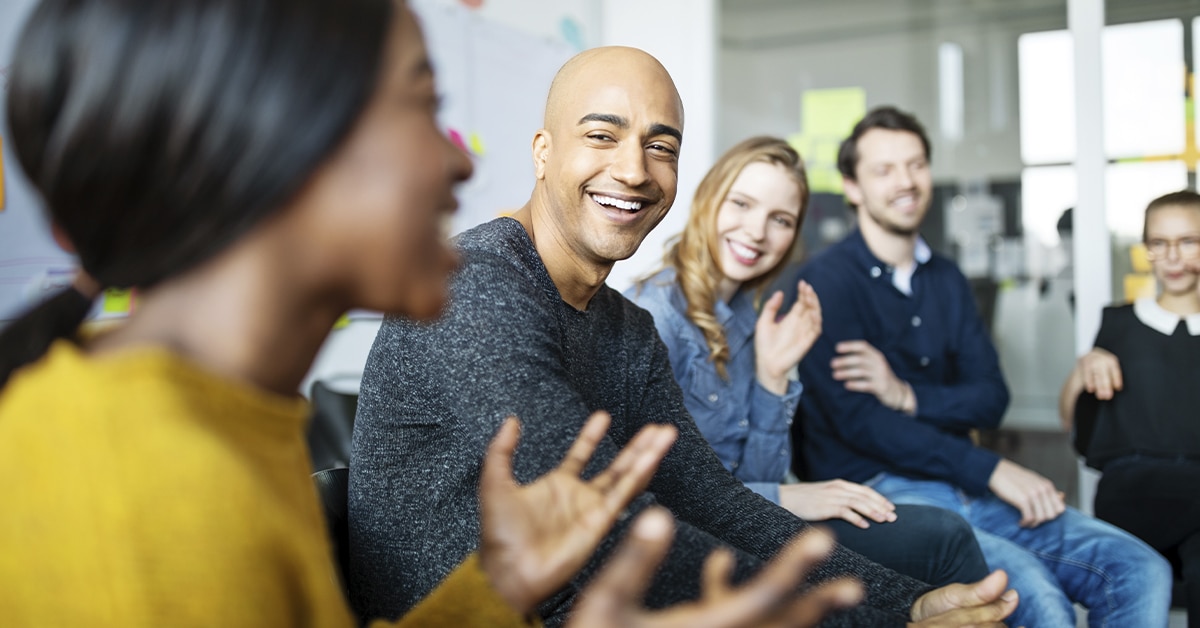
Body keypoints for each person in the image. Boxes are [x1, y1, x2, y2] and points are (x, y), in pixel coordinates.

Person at [0, 0, 873, 626]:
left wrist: (491, 594)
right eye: (423, 110)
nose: (458, 168)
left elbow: (700, 492)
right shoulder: (143, 493)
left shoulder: (231, 425)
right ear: (287, 147)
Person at [351, 47, 1018, 627]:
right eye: (603, 136)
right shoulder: (478, 285)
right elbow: (608, 531)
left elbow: (713, 499)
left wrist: (904, 604)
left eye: (661, 146)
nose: (636, 170)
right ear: (543, 152)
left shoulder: (626, 329)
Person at [788, 104, 1173, 627]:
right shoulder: (826, 284)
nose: (905, 181)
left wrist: (908, 395)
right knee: (1036, 598)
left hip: (965, 486)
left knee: (1140, 567)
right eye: (884, 170)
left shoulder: (946, 278)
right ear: (852, 187)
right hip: (886, 494)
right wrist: (992, 468)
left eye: (916, 164)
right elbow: (863, 426)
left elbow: (991, 398)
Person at [624, 135, 989, 587]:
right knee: (945, 539)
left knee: (941, 537)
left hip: (744, 527)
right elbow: (656, 492)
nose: (757, 232)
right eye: (742, 204)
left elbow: (755, 476)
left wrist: (772, 376)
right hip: (689, 546)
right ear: (708, 200)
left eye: (780, 219)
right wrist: (789, 496)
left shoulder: (747, 319)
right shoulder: (654, 317)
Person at [1061, 190, 1200, 626]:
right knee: (1129, 584)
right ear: (1147, 250)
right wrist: (1084, 369)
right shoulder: (1118, 323)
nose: (1173, 257)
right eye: (1159, 243)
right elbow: (1072, 420)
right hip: (1132, 492)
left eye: (1189, 241)